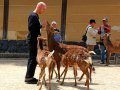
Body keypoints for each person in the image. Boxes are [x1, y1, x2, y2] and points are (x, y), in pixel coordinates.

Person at [25, 2, 47, 84]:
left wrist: (41, 26)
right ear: (39, 7)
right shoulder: (33, 16)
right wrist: (40, 26)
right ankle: (29, 77)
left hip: (34, 40)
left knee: (32, 58)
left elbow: (35, 27)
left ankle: (29, 76)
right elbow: (31, 28)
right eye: (43, 9)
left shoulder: (35, 16)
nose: (44, 11)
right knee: (33, 58)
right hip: (33, 40)